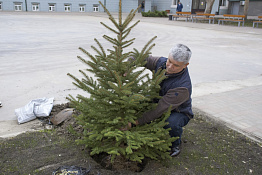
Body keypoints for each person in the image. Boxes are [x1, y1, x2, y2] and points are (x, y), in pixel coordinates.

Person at [127, 44, 193, 157]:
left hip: (178, 111)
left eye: (175, 65)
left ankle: (175, 145)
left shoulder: (182, 86)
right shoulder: (162, 62)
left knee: (171, 123)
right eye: (169, 61)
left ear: (185, 65)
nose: (170, 66)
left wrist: (134, 122)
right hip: (158, 99)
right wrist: (127, 67)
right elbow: (140, 57)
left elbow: (159, 109)